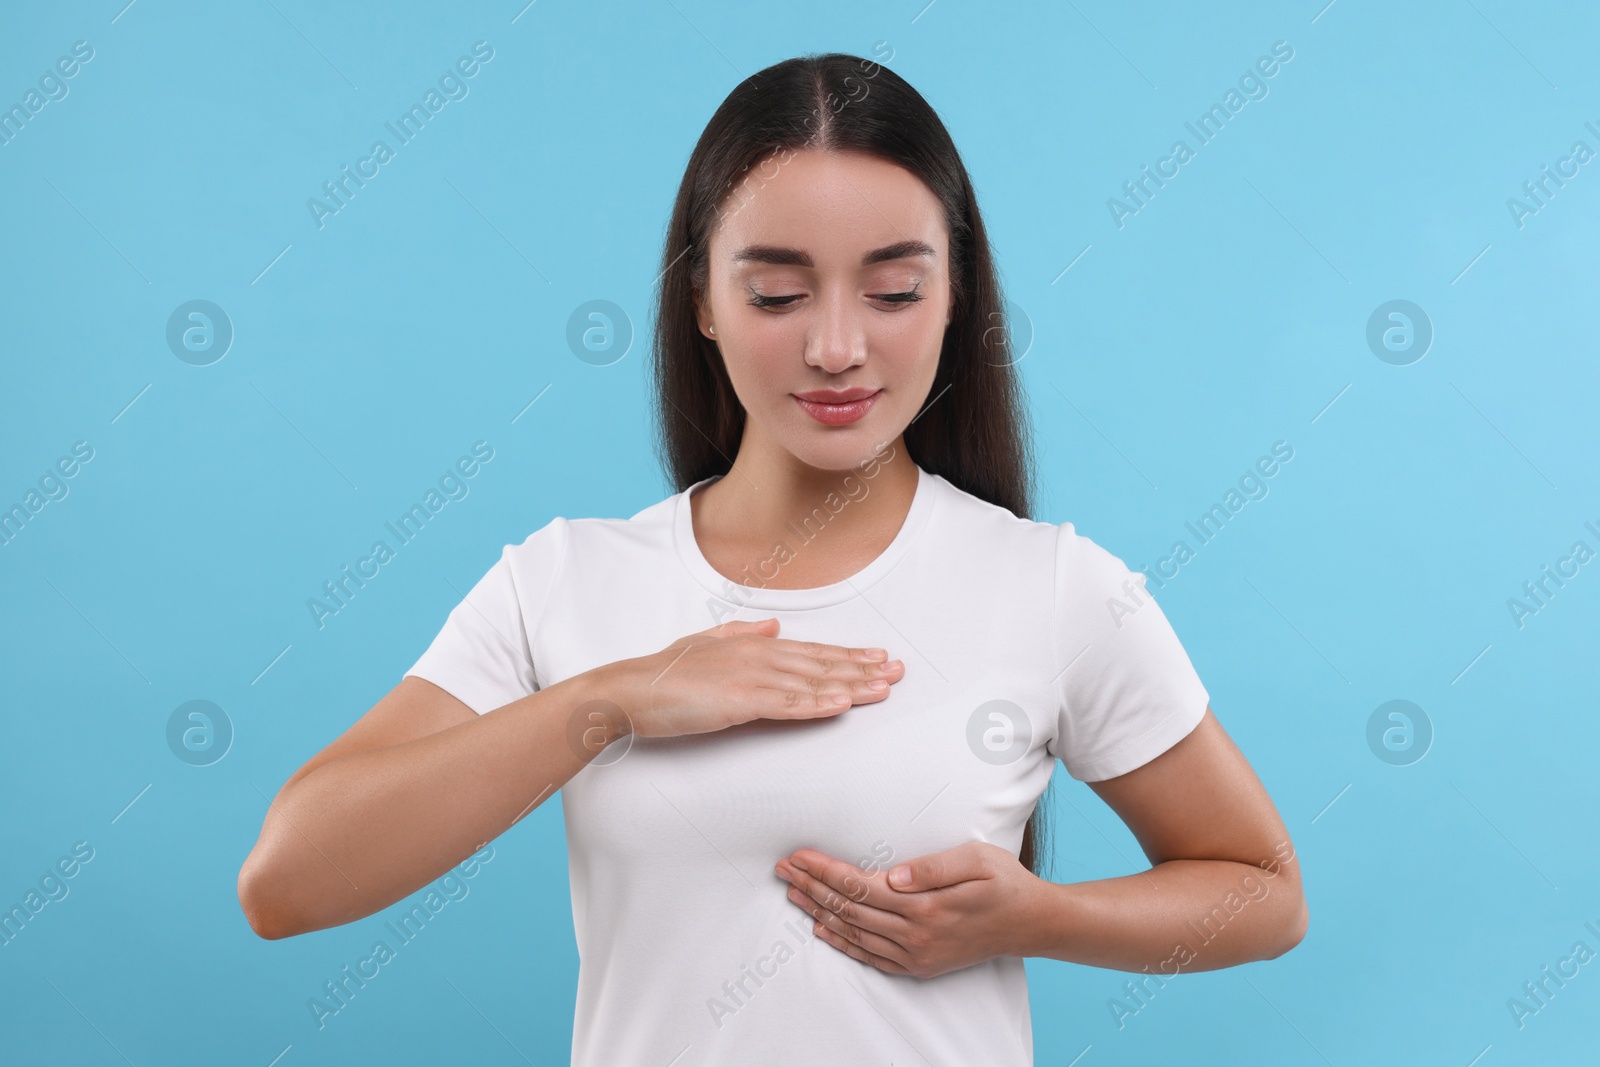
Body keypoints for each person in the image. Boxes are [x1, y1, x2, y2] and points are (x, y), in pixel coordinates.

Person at [238, 52, 1307, 1065]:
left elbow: (1262, 889)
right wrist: (611, 700)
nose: (836, 345)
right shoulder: (565, 579)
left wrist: (1041, 916)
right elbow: (286, 882)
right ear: (698, 296)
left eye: (892, 291)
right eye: (777, 293)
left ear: (956, 298)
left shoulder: (1054, 585)